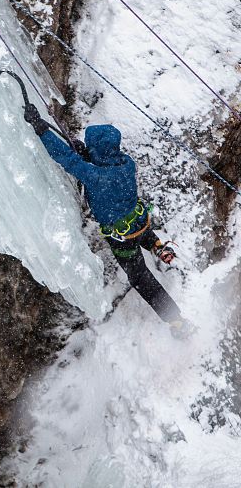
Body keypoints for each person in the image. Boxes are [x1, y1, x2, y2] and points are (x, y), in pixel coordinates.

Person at [23, 103, 194, 339]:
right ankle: (156, 245)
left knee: (141, 278)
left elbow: (67, 159)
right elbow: (99, 165)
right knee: (143, 236)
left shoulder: (96, 176)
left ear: (98, 151)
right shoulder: (126, 163)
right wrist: (87, 153)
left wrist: (41, 129)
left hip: (122, 238)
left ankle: (176, 320)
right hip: (140, 222)